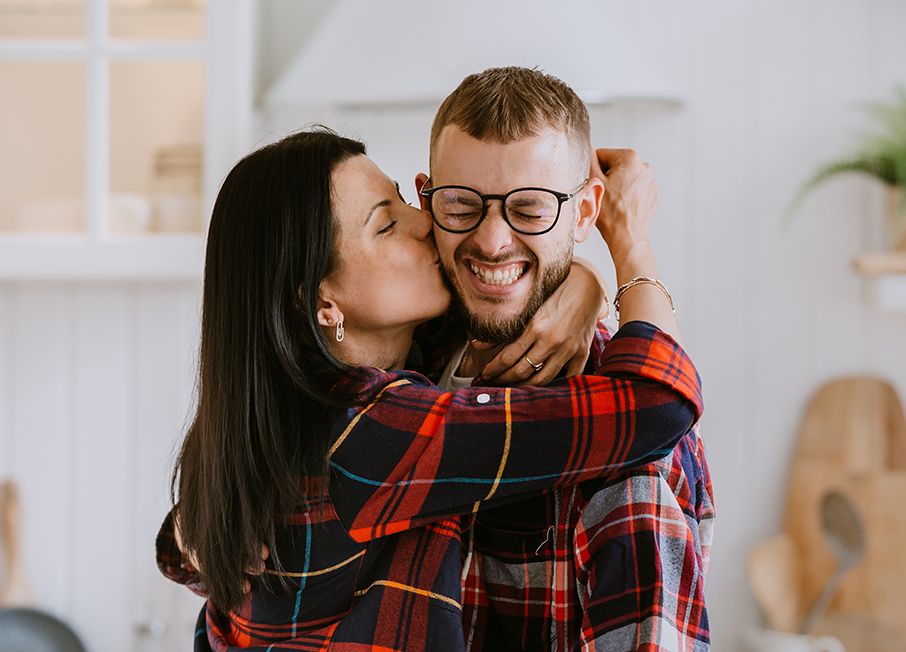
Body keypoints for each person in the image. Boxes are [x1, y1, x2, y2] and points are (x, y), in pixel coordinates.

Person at [156, 126, 701, 651]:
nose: (423, 224)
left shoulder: (287, 411)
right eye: (385, 225)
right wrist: (629, 246)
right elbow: (656, 404)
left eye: (402, 200)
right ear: (320, 303)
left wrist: (578, 279)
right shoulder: (371, 430)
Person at [410, 67, 714, 652]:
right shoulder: (404, 354)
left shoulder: (628, 440)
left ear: (583, 212)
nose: (493, 241)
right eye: (462, 204)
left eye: (529, 210)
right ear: (428, 201)